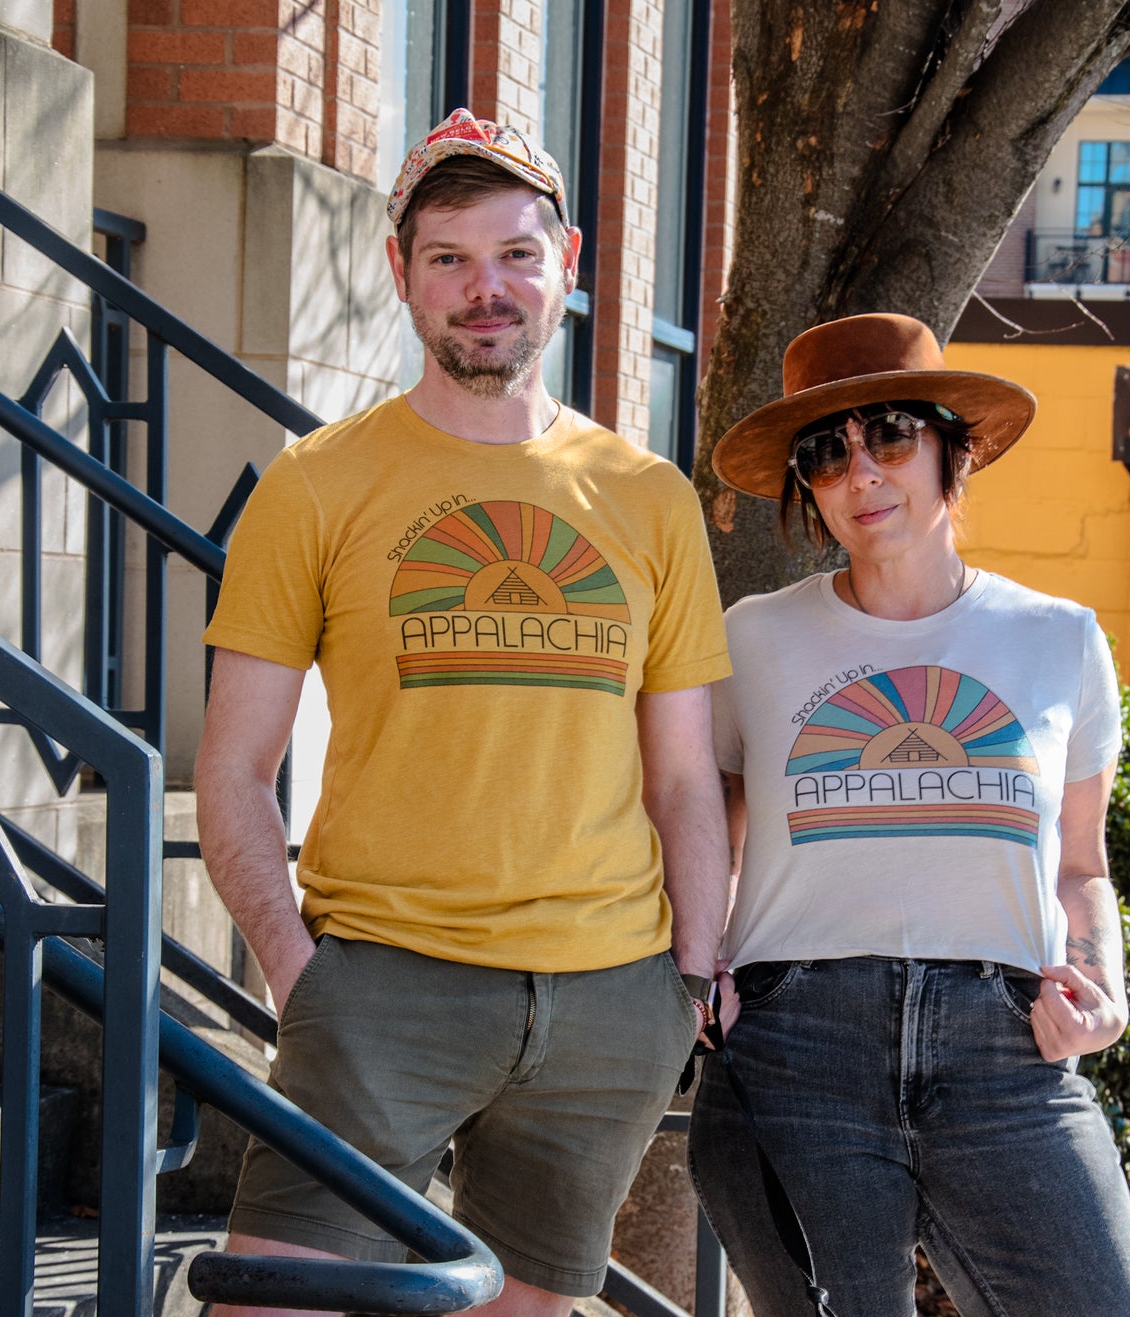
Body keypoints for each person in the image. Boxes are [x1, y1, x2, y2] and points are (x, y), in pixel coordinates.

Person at [195, 109, 732, 1317]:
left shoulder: (649, 499)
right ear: (400, 272)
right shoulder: (315, 482)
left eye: (514, 254)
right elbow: (234, 766)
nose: (485, 290)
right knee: (267, 1302)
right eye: (448, 258)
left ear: (569, 263)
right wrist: (299, 972)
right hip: (384, 982)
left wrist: (686, 980)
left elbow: (685, 772)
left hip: (609, 996)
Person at [688, 313, 1130, 1317]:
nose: (861, 473)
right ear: (806, 488)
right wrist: (696, 972)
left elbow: (1081, 865)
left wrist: (1106, 990)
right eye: (825, 454)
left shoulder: (1057, 638)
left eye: (891, 436)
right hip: (795, 1046)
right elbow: (706, 830)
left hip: (1009, 1056)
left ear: (957, 447)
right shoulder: (752, 639)